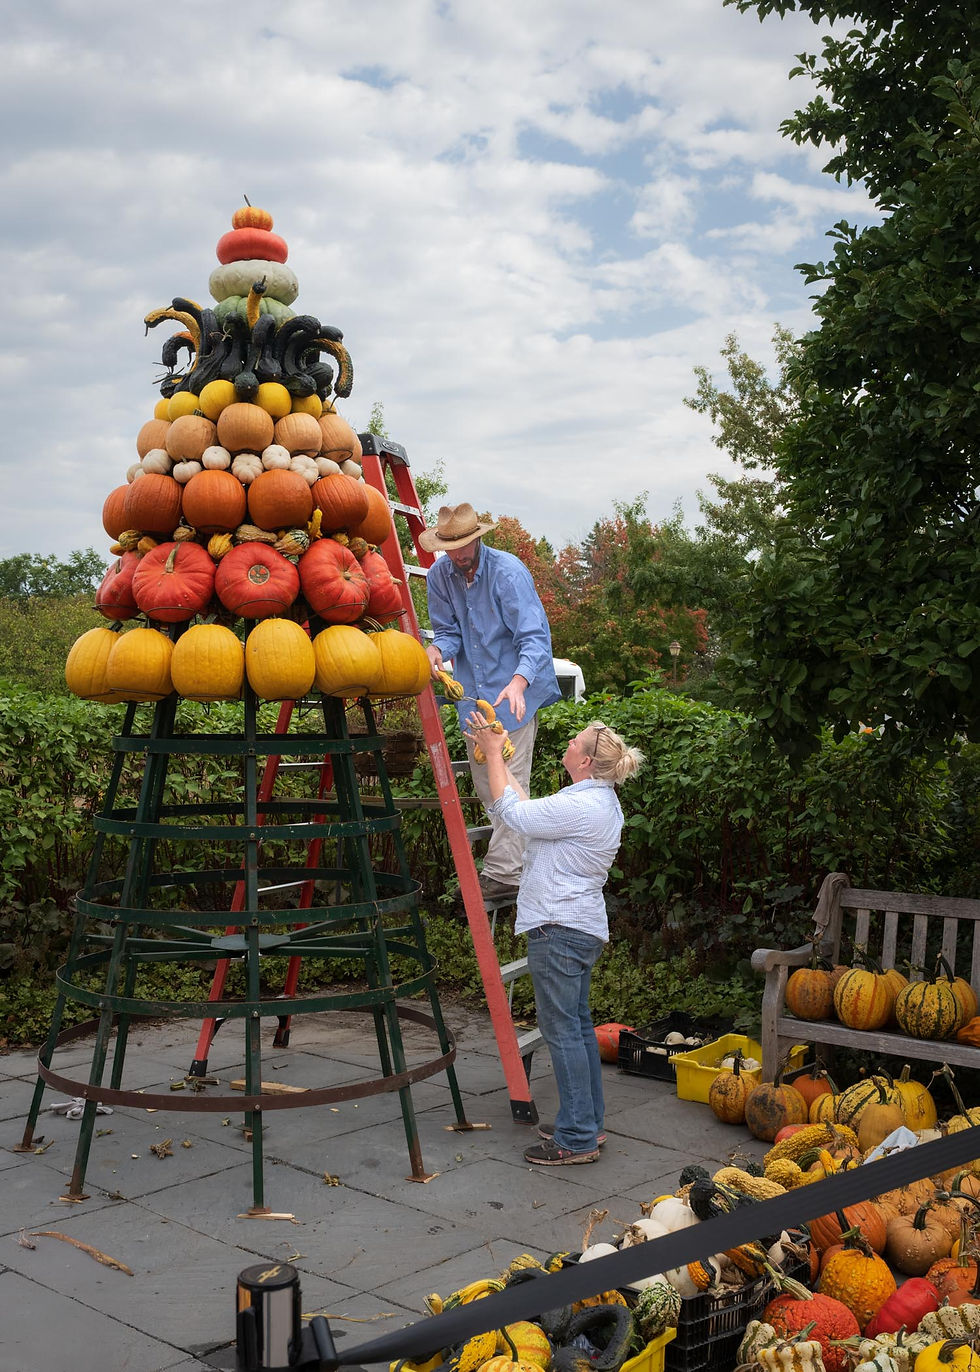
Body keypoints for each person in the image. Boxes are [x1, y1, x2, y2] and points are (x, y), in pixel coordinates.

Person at [464, 712, 644, 1166]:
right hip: (576, 927)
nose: (569, 741)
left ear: (584, 762)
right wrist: (499, 758)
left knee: (563, 1032)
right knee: (578, 1029)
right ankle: (588, 1122)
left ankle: (577, 1137)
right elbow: (527, 816)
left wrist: (489, 755)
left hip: (558, 929)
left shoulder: (582, 805)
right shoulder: (592, 800)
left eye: (576, 741)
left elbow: (511, 813)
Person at [420, 503, 561, 900]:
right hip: (474, 701)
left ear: (478, 538)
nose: (459, 556)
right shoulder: (439, 577)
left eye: (465, 546)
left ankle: (503, 875)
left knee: (510, 785)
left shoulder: (508, 572)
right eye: (452, 549)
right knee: (489, 790)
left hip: (514, 698)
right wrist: (435, 651)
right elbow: (449, 633)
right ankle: (521, 863)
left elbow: (533, 638)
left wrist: (518, 682)